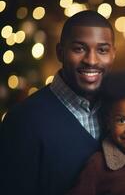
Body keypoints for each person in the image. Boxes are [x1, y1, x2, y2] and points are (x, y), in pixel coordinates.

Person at [0, 10, 116, 195]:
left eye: (102, 50)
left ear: (113, 55)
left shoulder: (121, 111)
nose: (91, 60)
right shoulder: (22, 121)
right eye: (79, 49)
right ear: (60, 53)